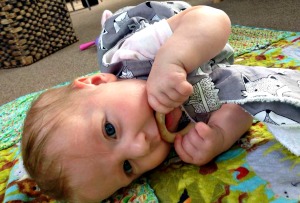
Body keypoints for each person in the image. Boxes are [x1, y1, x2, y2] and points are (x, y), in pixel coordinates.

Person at [22, 2, 253, 203]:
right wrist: (220, 134)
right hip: (209, 72)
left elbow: (213, 17)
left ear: (97, 81)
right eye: (127, 167)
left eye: (109, 130)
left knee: (120, 29)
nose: (141, 148)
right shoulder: (182, 136)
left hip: (171, 24)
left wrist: (172, 60)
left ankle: (109, 26)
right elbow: (244, 99)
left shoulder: (138, 53)